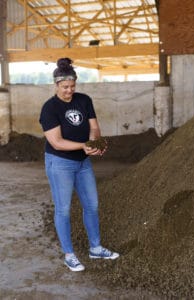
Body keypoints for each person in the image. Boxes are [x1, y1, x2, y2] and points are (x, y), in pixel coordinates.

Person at [39, 57, 119, 272]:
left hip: (83, 163)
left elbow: (94, 127)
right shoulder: (49, 108)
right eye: (65, 87)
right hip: (60, 163)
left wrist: (95, 142)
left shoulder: (84, 100)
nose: (69, 91)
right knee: (63, 209)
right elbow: (56, 142)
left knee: (91, 205)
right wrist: (84, 145)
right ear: (56, 85)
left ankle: (96, 247)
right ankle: (69, 254)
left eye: (72, 86)